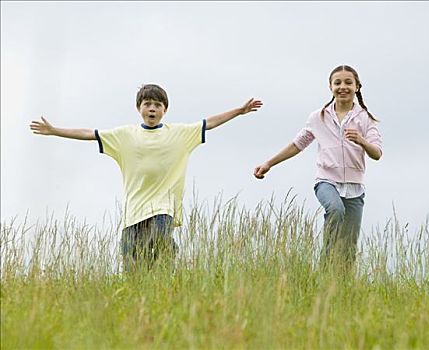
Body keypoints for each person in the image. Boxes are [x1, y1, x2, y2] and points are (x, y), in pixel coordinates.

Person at [30, 84, 262, 272]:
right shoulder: (124, 135)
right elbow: (89, 134)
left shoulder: (180, 133)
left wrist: (239, 111)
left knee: (160, 247)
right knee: (132, 268)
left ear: (165, 110)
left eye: (157, 105)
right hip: (133, 213)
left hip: (163, 209)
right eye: (147, 104)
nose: (152, 108)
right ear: (139, 108)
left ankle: (167, 270)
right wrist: (55, 130)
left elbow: (209, 123)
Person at [254, 65, 382, 269]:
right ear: (330, 87)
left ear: (357, 87)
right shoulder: (318, 117)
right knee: (335, 209)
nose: (343, 87)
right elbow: (298, 144)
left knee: (349, 246)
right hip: (326, 181)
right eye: (337, 82)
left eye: (348, 82)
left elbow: (377, 153)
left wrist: (361, 141)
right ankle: (325, 265)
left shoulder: (365, 119)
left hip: (354, 188)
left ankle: (341, 286)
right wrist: (268, 163)